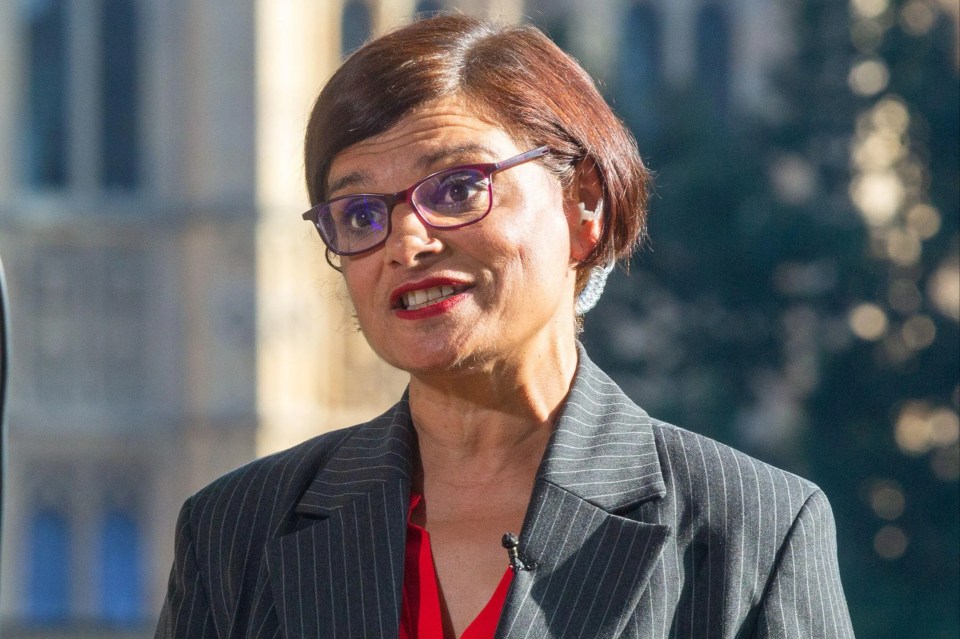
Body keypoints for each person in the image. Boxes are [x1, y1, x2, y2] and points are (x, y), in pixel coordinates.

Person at [156, 15, 854, 639]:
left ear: (585, 206)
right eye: (362, 214)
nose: (407, 241)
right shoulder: (237, 531)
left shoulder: (748, 533)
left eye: (457, 188)